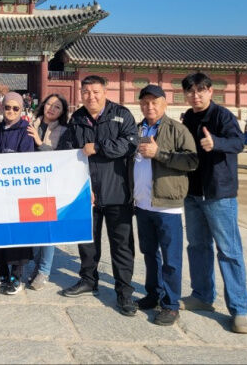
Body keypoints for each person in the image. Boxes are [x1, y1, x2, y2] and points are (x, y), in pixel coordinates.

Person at [57, 75, 139, 317]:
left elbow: (130, 144)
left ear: (105, 92)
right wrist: (81, 186)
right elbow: (68, 153)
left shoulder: (121, 115)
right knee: (87, 241)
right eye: (86, 92)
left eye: (95, 92)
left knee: (121, 245)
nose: (90, 96)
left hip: (117, 192)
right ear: (80, 93)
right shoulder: (77, 118)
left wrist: (99, 147)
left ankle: (124, 291)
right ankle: (88, 279)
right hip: (88, 192)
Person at [180, 72, 247, 334]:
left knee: (229, 250)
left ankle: (240, 310)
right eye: (190, 91)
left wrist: (216, 142)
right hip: (193, 193)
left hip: (219, 193)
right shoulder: (188, 117)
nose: (195, 95)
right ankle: (202, 295)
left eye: (200, 90)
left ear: (210, 91)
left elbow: (239, 142)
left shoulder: (222, 116)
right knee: (197, 246)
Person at [131, 85, 198, 326]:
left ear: (165, 104)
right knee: (149, 253)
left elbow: (192, 161)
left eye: (154, 102)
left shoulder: (177, 129)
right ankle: (153, 293)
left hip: (167, 204)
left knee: (171, 258)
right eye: (145, 102)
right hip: (143, 203)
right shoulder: (137, 129)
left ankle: (171, 304)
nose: (149, 106)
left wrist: (159, 153)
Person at [0, 91, 35, 295]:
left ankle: (16, 276)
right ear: (1, 107)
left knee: (17, 235)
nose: (11, 111)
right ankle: (1, 272)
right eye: (7, 107)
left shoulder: (25, 130)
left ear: (21, 110)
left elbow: (26, 159)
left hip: (17, 191)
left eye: (15, 108)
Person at [25, 93, 69, 291]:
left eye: (57, 107)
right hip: (30, 185)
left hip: (50, 186)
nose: (52, 108)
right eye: (49, 104)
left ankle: (44, 270)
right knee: (33, 229)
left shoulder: (64, 131)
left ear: (62, 112)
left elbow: (61, 158)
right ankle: (36, 265)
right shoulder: (30, 124)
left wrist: (39, 142)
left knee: (48, 230)